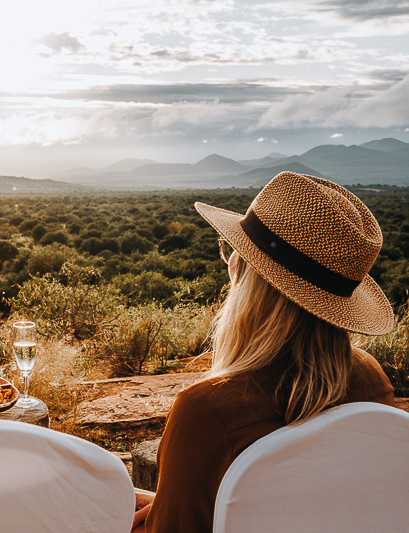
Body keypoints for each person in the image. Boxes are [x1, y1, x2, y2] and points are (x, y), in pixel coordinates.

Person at [131, 172, 396, 533]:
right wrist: (168, 501)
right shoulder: (370, 381)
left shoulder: (206, 413)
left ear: (245, 274)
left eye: (231, 251)